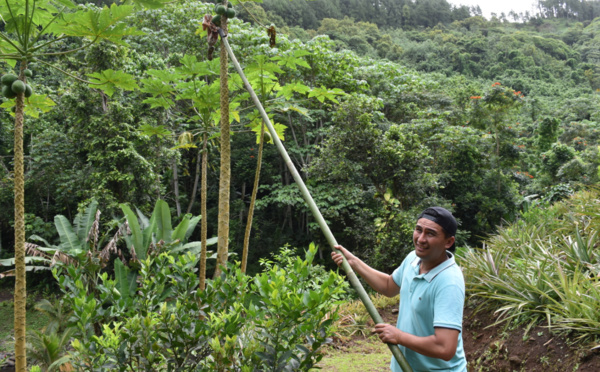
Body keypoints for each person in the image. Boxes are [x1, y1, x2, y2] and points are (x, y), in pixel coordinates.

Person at [331, 207, 467, 372]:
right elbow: (389, 286)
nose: (421, 239)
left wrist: (399, 336)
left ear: (448, 242)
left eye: (430, 233)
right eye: (418, 230)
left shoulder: (448, 282)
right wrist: (354, 262)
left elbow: (445, 348)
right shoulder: (413, 259)